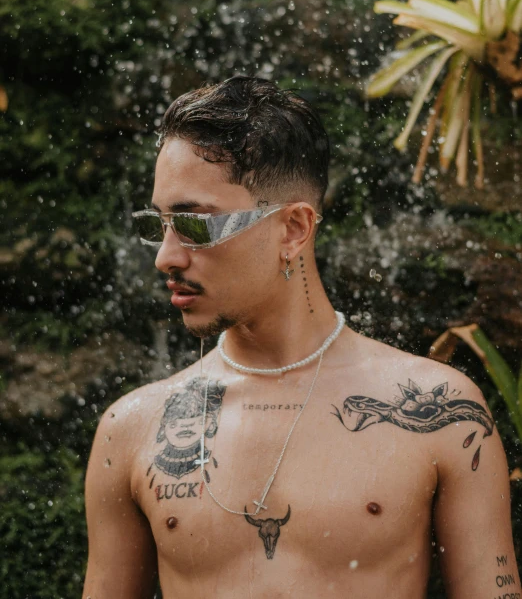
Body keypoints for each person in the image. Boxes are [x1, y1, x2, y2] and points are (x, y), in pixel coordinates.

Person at [82, 75, 521, 599]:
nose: (166, 257)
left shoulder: (441, 413)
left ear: (293, 229)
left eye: (195, 225)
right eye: (160, 224)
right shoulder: (131, 428)